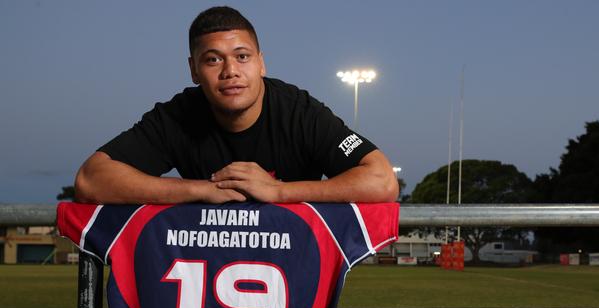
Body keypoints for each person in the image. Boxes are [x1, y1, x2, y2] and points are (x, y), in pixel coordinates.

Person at [74, 6, 398, 205]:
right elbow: (91, 179)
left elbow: (382, 181)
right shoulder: (179, 115)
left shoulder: (298, 111)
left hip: (293, 269)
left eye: (242, 57)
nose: (230, 71)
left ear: (261, 63)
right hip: (212, 269)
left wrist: (279, 192)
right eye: (213, 59)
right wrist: (199, 190)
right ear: (193, 70)